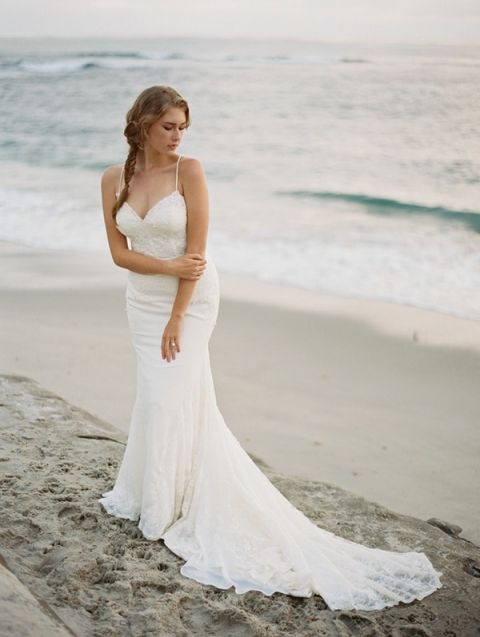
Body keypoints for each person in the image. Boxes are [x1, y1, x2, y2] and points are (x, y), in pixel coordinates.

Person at [97, 85, 443, 611]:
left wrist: (176, 316)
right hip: (141, 301)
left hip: (189, 303)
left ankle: (168, 506)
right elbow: (119, 254)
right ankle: (154, 494)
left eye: (183, 126)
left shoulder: (189, 171)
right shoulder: (113, 179)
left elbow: (197, 256)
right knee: (157, 395)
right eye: (169, 126)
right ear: (143, 124)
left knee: (169, 394)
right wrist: (163, 275)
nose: (178, 135)